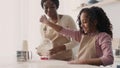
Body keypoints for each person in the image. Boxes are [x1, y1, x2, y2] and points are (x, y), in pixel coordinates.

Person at [40, 6, 114, 66]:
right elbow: (62, 30)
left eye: (85, 22)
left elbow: (109, 59)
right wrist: (47, 22)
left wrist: (81, 61)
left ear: (95, 22)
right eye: (81, 22)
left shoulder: (103, 37)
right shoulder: (81, 35)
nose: (82, 25)